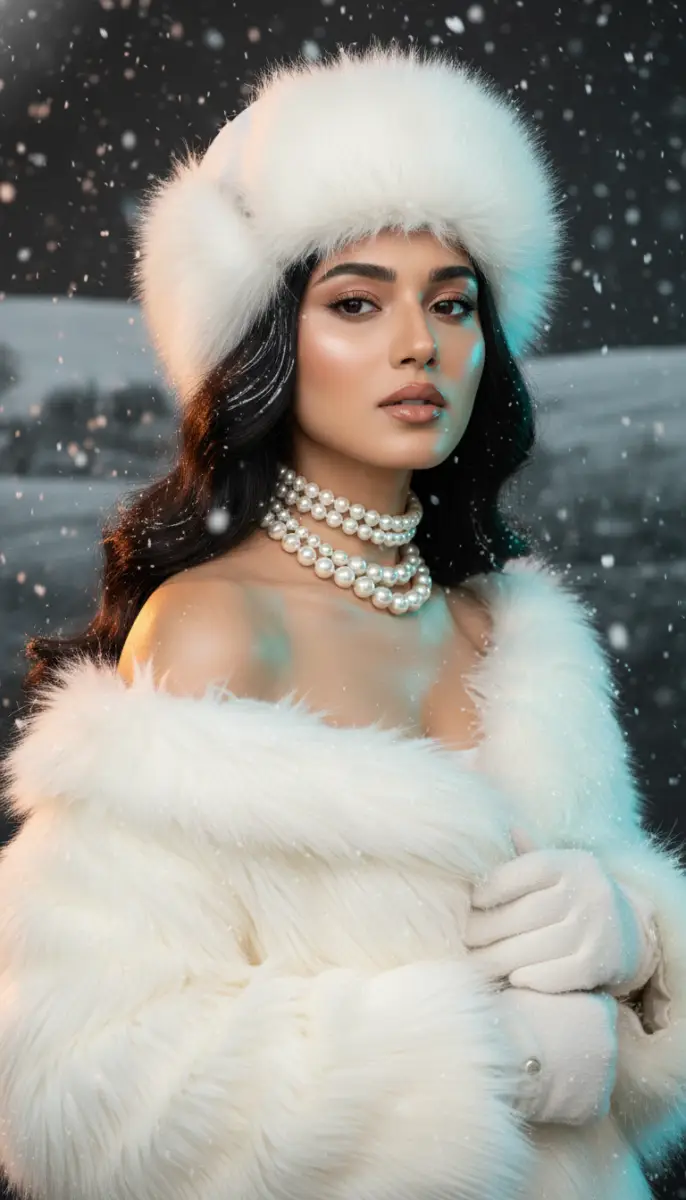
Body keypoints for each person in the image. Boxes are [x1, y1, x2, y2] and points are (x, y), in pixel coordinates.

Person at [0, 42, 684, 1200]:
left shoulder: (519, 639)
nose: (417, 343)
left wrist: (639, 947)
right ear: (265, 340)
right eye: (356, 302)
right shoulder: (218, 632)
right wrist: (483, 1057)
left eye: (451, 302)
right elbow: (79, 1084)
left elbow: (628, 1034)